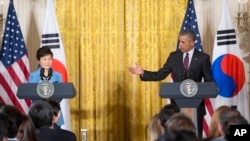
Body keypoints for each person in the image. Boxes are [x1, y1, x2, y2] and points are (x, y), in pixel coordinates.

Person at [128, 29, 214, 138]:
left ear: (192, 43)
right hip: (177, 106)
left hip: (196, 107)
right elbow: (161, 74)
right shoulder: (174, 56)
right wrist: (143, 73)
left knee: (195, 137)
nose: (180, 45)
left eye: (183, 42)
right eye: (179, 41)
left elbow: (209, 81)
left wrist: (213, 88)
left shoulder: (203, 58)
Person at [28, 47, 64, 126]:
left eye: (49, 59)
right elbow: (30, 93)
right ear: (39, 60)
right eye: (44, 59)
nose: (47, 62)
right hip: (38, 112)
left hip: (54, 111)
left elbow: (61, 93)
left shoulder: (58, 76)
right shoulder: (33, 76)